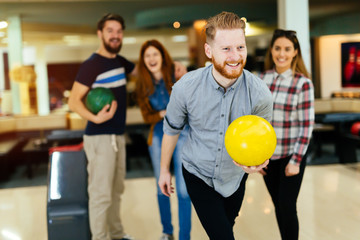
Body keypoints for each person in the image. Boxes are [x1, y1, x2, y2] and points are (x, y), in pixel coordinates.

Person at [158, 11, 273, 239]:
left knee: (224, 230)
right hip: (197, 172)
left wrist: (259, 162)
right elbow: (171, 130)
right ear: (209, 51)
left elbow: (263, 138)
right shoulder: (185, 88)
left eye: (240, 47)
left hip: (235, 178)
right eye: (226, 49)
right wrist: (163, 171)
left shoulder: (260, 93)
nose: (235, 56)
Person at [68, 13, 135, 240]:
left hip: (117, 137)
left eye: (119, 31)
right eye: (110, 31)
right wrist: (94, 118)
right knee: (101, 195)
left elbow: (142, 73)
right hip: (99, 137)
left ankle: (116, 234)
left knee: (116, 192)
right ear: (100, 34)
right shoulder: (91, 65)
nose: (115, 36)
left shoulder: (119, 61)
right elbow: (73, 101)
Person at [259, 29, 315, 240]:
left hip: (291, 156)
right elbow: (257, 121)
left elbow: (306, 125)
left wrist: (296, 160)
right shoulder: (261, 79)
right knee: (278, 205)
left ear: (295, 52)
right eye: (277, 48)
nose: (281, 54)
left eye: (287, 49)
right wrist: (256, 159)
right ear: (271, 51)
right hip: (267, 157)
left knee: (287, 205)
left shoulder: (303, 84)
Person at [135, 39, 191, 240]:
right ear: (143, 60)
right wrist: (163, 113)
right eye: (147, 55)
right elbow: (146, 116)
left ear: (162, 56)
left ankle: (185, 236)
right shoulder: (142, 84)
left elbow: (189, 101)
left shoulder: (176, 73)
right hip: (159, 135)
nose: (151, 59)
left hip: (183, 134)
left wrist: (184, 76)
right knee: (162, 185)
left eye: (155, 54)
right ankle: (167, 232)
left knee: (184, 189)